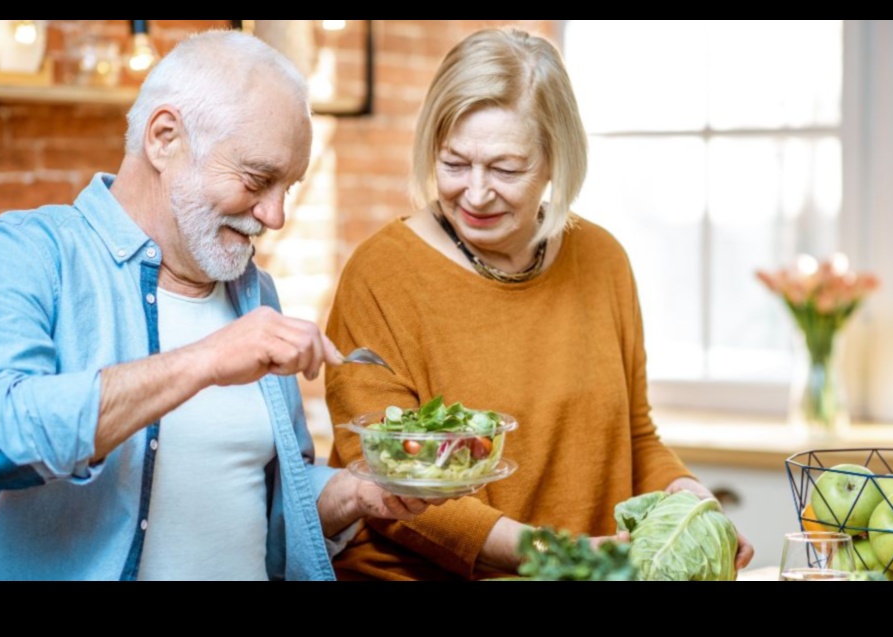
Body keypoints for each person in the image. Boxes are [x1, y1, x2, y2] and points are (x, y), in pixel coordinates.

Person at [0, 30, 433, 582]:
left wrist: (356, 494)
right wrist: (204, 360)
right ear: (165, 137)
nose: (275, 216)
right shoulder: (30, 250)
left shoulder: (254, 293)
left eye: (288, 189)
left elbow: (259, 518)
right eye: (257, 178)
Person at [324, 28, 756, 581]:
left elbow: (635, 437)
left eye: (506, 169)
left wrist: (689, 501)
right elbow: (394, 486)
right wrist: (560, 557)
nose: (476, 194)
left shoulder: (602, 260)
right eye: (455, 163)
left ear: (556, 160)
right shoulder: (381, 274)